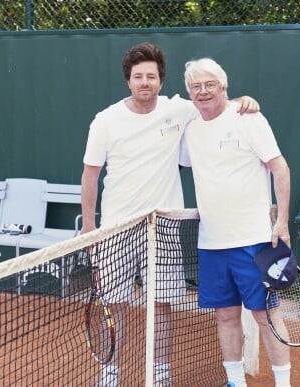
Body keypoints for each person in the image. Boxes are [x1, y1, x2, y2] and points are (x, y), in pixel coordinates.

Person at [80, 42, 260, 387]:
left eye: (151, 76)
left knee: (161, 305)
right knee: (114, 306)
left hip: (161, 228)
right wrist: (91, 229)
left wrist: (243, 102)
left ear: (160, 81)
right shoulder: (105, 121)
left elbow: (212, 103)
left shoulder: (177, 110)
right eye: (138, 77)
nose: (144, 82)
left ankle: (160, 374)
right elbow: (90, 175)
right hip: (116, 229)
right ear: (128, 81)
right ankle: (109, 375)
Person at [179, 57, 292, 387]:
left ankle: (283, 384)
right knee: (226, 315)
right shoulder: (190, 129)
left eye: (210, 84)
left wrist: (282, 222)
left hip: (254, 240)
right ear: (188, 93)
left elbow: (280, 168)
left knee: (266, 315)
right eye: (195, 86)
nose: (203, 91)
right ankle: (235, 382)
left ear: (224, 87)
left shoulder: (249, 118)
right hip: (212, 243)